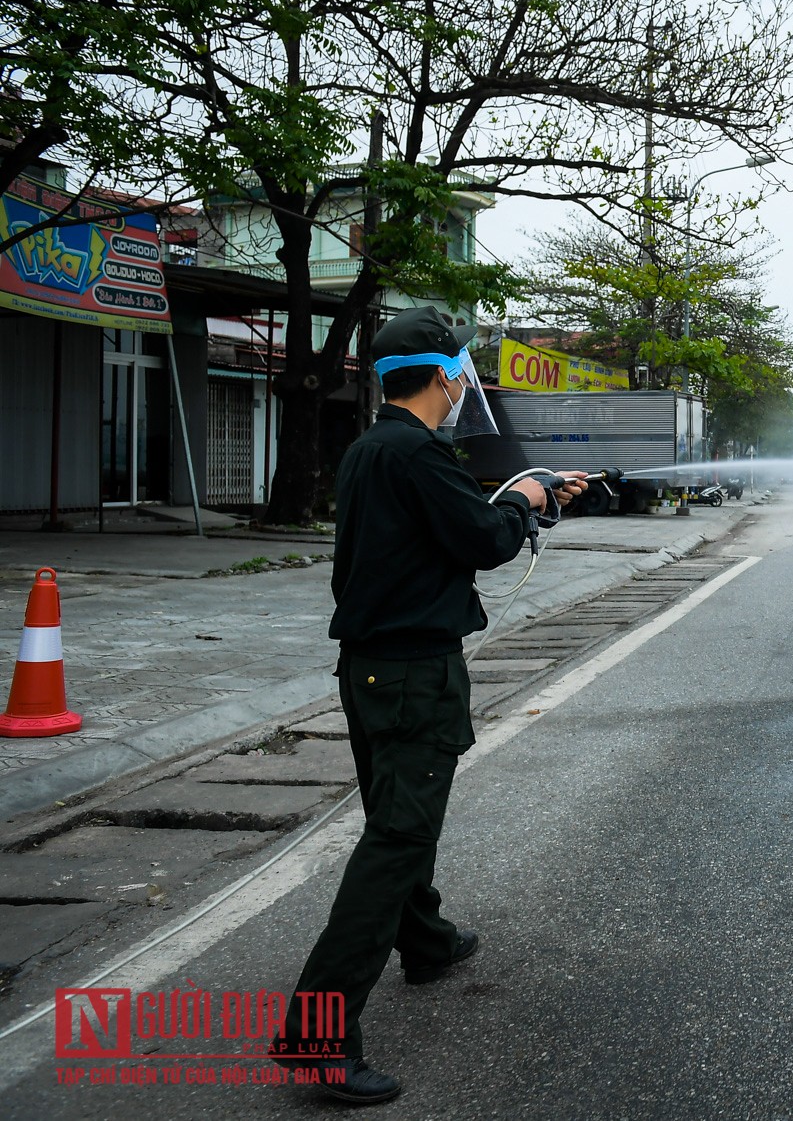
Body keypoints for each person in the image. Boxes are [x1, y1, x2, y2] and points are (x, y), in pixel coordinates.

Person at [272, 306, 584, 1105]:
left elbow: (451, 527)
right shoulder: (419, 451)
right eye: (461, 373)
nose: (461, 387)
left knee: (396, 818)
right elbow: (483, 540)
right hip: (413, 676)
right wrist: (528, 504)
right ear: (446, 376)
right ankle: (318, 1033)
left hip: (370, 672)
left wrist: (518, 498)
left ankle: (427, 939)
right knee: (399, 835)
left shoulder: (372, 450)